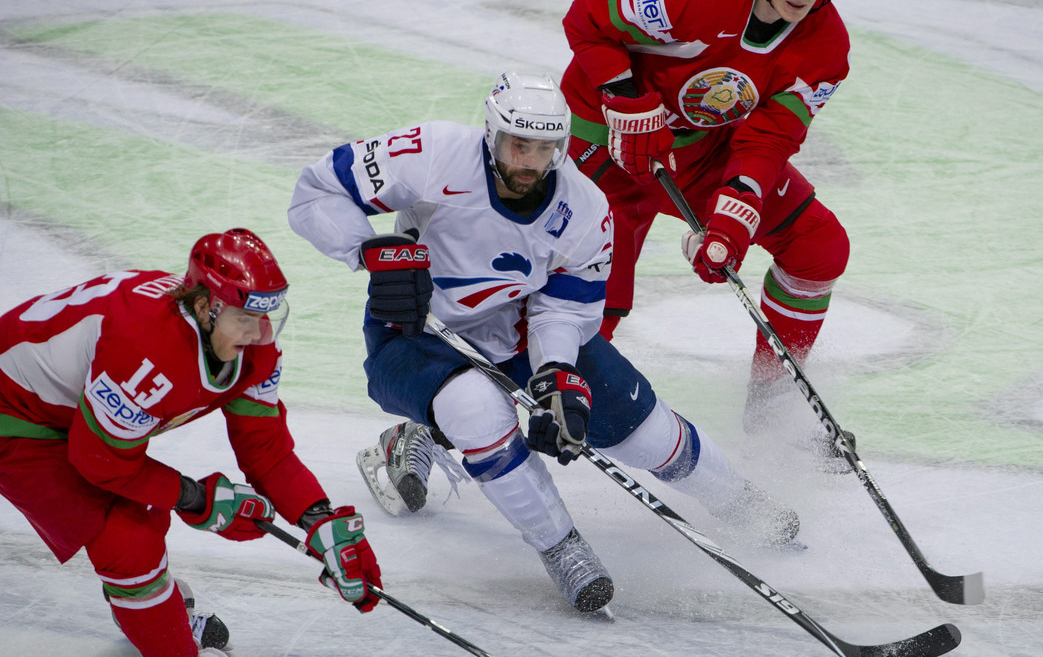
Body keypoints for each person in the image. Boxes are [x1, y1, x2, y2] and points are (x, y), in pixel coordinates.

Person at [288, 71, 800, 614]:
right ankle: (560, 545)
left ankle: (739, 500)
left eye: (544, 148)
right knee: (476, 409)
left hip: (518, 323)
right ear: (491, 134)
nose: (529, 162)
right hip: (415, 325)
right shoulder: (433, 152)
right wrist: (369, 250)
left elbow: (566, 306)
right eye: (518, 144)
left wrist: (557, 372)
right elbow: (314, 193)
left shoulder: (582, 207)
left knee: (642, 435)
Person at [0, 229, 383, 657]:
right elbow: (99, 460)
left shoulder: (250, 343)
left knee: (136, 523)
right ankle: (155, 619)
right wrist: (195, 497)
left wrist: (319, 518)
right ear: (204, 307)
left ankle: (150, 609)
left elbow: (266, 450)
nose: (260, 334)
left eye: (267, 316)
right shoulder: (145, 348)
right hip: (16, 414)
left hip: (77, 410)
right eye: (245, 317)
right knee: (129, 541)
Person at [559, 0, 853, 457]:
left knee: (817, 245)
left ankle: (772, 413)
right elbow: (587, 17)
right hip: (604, 143)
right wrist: (627, 100)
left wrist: (734, 219)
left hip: (697, 150)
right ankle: (442, 425)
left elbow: (768, 142)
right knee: (579, 319)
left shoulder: (824, 44)